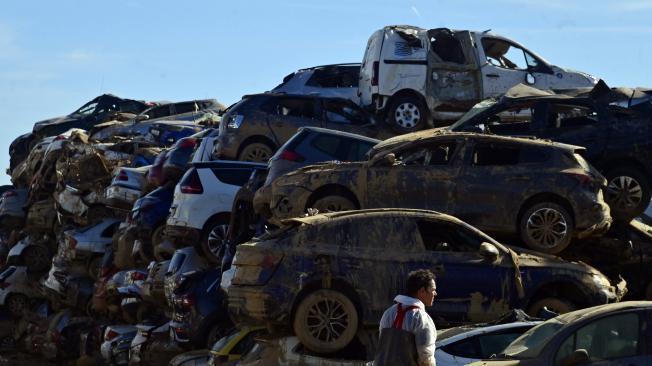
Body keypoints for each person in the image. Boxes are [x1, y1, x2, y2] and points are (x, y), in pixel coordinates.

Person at [374, 269, 438, 366]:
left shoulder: (388, 313)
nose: (435, 294)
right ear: (422, 291)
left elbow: (383, 344)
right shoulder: (421, 318)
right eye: (433, 290)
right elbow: (426, 355)